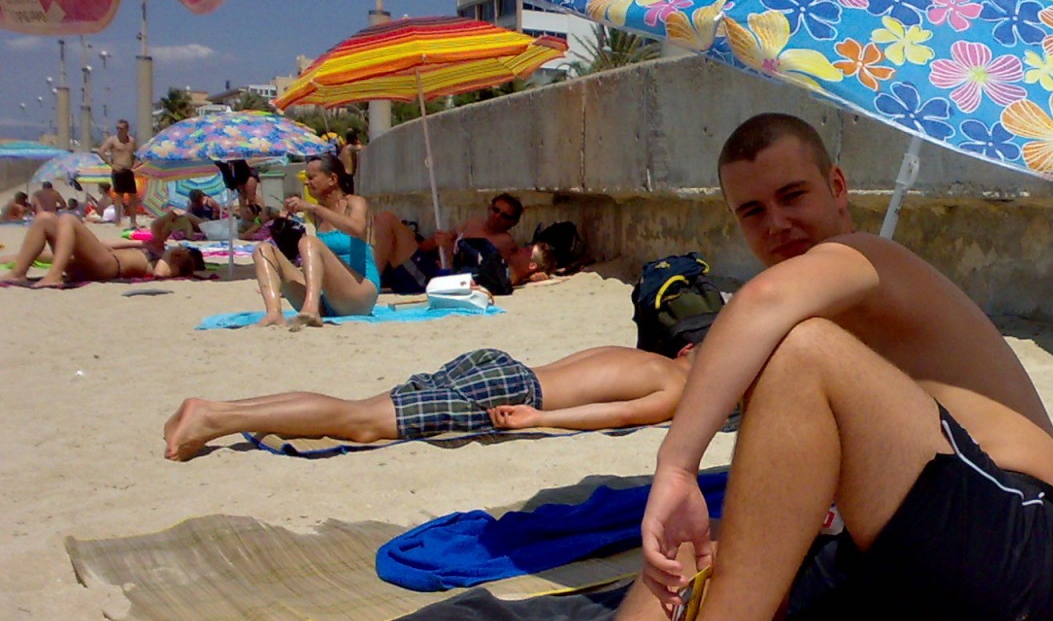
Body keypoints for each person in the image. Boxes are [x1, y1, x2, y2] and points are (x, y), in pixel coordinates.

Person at [423, 113, 1053, 621]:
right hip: (904, 578)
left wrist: (676, 467)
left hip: (1018, 558)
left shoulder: (869, 258)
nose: (776, 224)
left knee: (801, 352)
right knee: (713, 540)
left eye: (793, 196)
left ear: (838, 187)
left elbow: (764, 303)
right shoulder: (825, 304)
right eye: (753, 211)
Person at [162, 342, 696, 461]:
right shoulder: (679, 388)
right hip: (514, 391)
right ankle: (215, 416)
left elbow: (582, 366)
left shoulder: (647, 356)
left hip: (499, 365)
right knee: (361, 422)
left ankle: (222, 409)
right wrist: (541, 417)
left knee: (361, 408)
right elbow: (619, 415)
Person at [252, 154, 379, 328]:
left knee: (309, 242)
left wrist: (315, 207)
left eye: (311, 178)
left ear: (332, 179)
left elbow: (357, 229)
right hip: (330, 298)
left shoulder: (354, 203)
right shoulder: (316, 214)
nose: (306, 183)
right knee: (263, 250)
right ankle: (274, 313)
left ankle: (311, 309)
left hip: (360, 293)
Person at [372, 193, 536, 292]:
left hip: (440, 279)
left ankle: (371, 282)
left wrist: (447, 249)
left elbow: (471, 275)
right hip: (430, 266)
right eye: (496, 210)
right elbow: (432, 245)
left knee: (387, 220)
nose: (497, 216)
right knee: (386, 219)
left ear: (513, 223)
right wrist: (433, 243)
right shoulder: (474, 223)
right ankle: (373, 276)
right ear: (489, 208)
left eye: (505, 216)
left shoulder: (503, 243)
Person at [2, 210, 203, 287]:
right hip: (97, 259)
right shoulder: (156, 249)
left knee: (69, 219)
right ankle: (18, 273)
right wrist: (140, 243)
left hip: (109, 267)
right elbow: (104, 245)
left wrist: (169, 253)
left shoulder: (170, 261)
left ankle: (54, 275)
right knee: (44, 218)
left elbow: (160, 274)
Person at [97, 118, 139, 228]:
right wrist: (111, 165)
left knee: (133, 196)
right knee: (118, 196)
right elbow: (100, 151)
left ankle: (133, 221)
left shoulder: (132, 141)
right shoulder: (113, 140)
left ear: (127, 129)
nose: (119, 130)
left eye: (121, 128)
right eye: (117, 128)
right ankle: (117, 220)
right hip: (118, 170)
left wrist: (134, 165)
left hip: (128, 170)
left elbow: (136, 154)